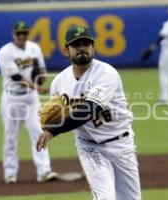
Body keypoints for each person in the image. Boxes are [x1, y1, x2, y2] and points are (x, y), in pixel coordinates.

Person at [36, 26, 142, 200]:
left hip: (122, 144)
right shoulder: (59, 83)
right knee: (105, 198)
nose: (82, 48)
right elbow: (56, 114)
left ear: (93, 47)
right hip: (90, 147)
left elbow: (90, 110)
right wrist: (49, 121)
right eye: (76, 45)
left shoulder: (107, 73)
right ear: (66, 51)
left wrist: (53, 129)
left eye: (86, 43)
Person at [0, 21, 58, 183]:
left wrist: (41, 79)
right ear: (13, 34)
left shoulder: (34, 48)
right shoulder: (5, 52)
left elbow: (41, 71)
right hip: (12, 98)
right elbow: (16, 77)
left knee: (38, 132)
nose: (22, 36)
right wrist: (38, 87)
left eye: (25, 33)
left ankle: (44, 171)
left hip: (31, 98)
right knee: (10, 135)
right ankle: (10, 173)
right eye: (19, 33)